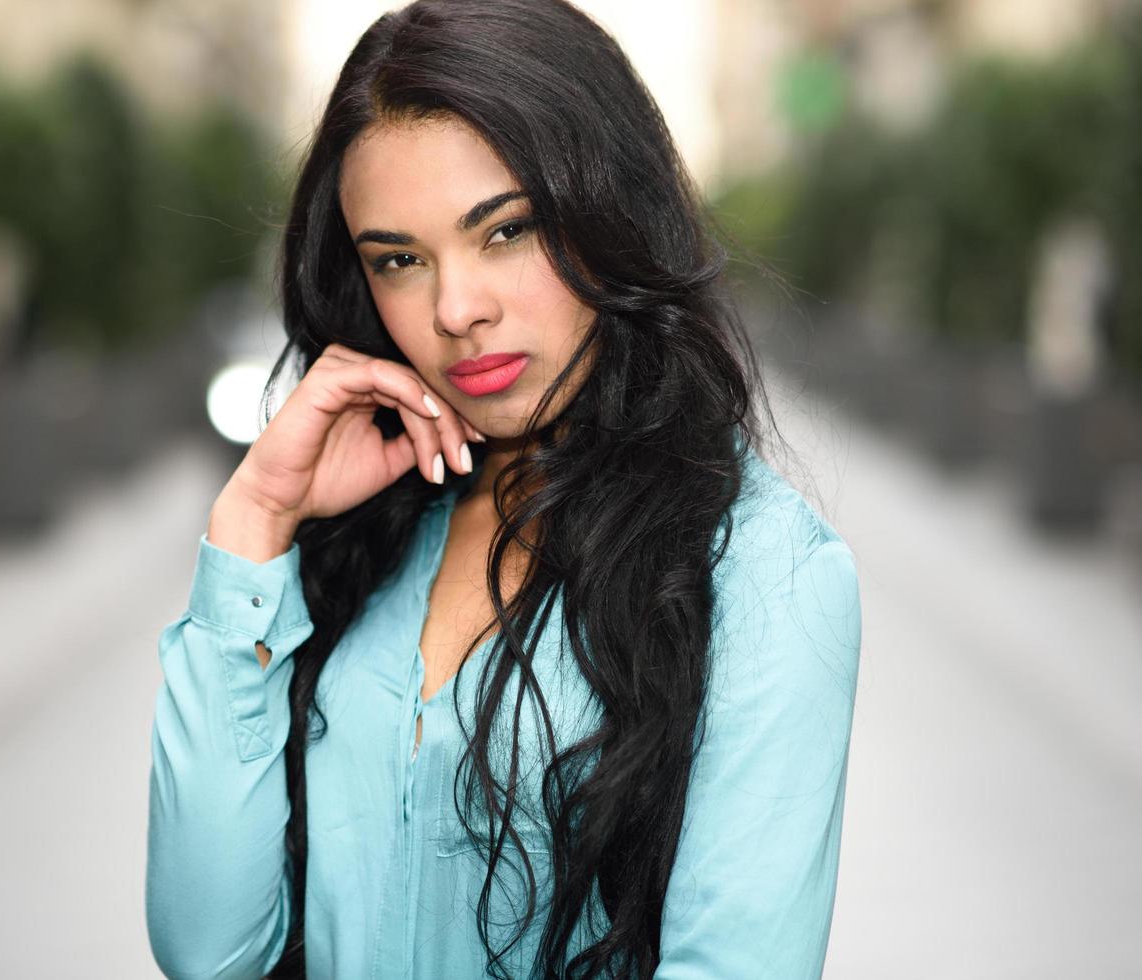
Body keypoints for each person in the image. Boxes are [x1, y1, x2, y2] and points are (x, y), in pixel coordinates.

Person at [145, 1, 863, 977]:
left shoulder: (762, 570)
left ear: (611, 212)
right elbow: (210, 949)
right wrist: (256, 521)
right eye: (398, 258)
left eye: (505, 230)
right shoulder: (372, 527)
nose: (454, 310)